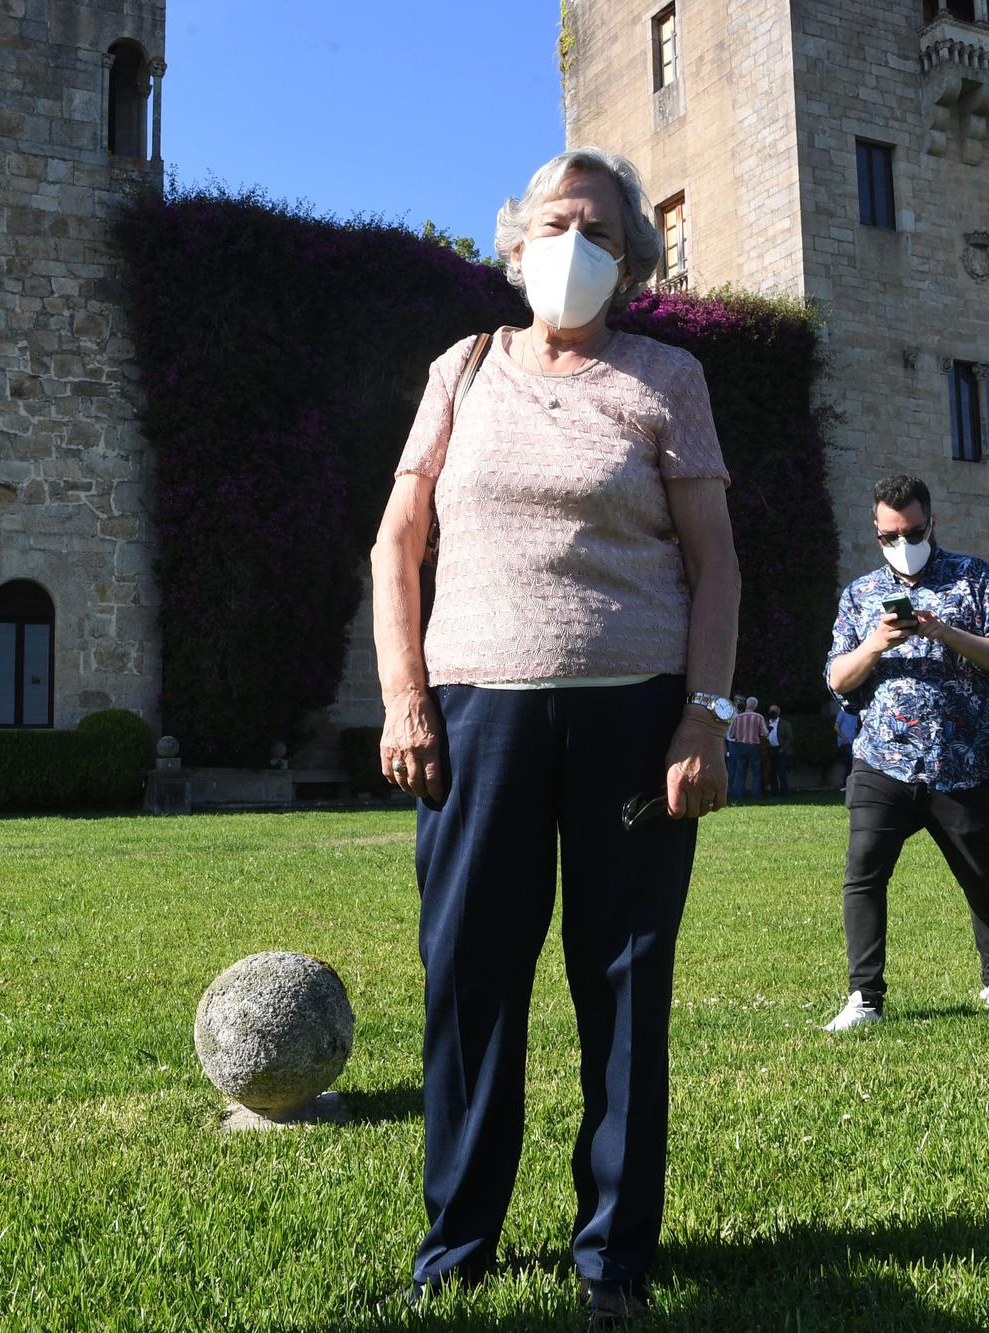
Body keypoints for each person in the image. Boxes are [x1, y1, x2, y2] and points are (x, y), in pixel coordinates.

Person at [371, 146, 741, 1320]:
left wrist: (702, 714)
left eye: (597, 230)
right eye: (552, 222)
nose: (571, 244)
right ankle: (455, 1246)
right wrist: (404, 695)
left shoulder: (666, 377)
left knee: (621, 979)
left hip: (632, 712)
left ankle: (612, 1257)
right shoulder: (461, 368)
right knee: (468, 978)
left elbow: (715, 564)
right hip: (474, 709)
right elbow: (396, 542)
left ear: (630, 260)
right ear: (514, 242)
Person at [821, 474, 989, 1030]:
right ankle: (865, 998)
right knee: (863, 874)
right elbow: (837, 679)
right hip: (883, 759)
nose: (903, 543)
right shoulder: (860, 594)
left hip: (964, 762)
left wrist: (947, 633)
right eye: (890, 535)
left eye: (913, 532)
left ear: (932, 523)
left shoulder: (975, 578)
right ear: (876, 531)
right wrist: (874, 644)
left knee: (980, 874)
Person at [727, 696, 766, 801]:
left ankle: (740, 794)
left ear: (746, 704)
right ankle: (756, 794)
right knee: (756, 772)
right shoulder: (759, 717)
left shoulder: (738, 717)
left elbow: (731, 734)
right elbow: (764, 733)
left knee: (741, 771)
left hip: (741, 746)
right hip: (754, 746)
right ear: (755, 706)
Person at [833, 702, 860, 792]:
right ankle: (845, 784)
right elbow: (836, 727)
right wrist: (844, 738)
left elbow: (855, 729)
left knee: (852, 763)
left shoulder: (855, 715)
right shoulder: (842, 712)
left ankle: (849, 784)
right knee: (851, 761)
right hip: (844, 743)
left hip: (853, 743)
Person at [766, 704, 792, 797]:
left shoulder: (785, 724)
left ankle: (785, 793)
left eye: (774, 711)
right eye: (771, 711)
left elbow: (789, 738)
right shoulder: (766, 724)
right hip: (769, 751)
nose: (772, 713)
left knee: (782, 772)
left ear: (778, 712)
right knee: (771, 772)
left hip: (780, 750)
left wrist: (783, 749)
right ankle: (775, 792)